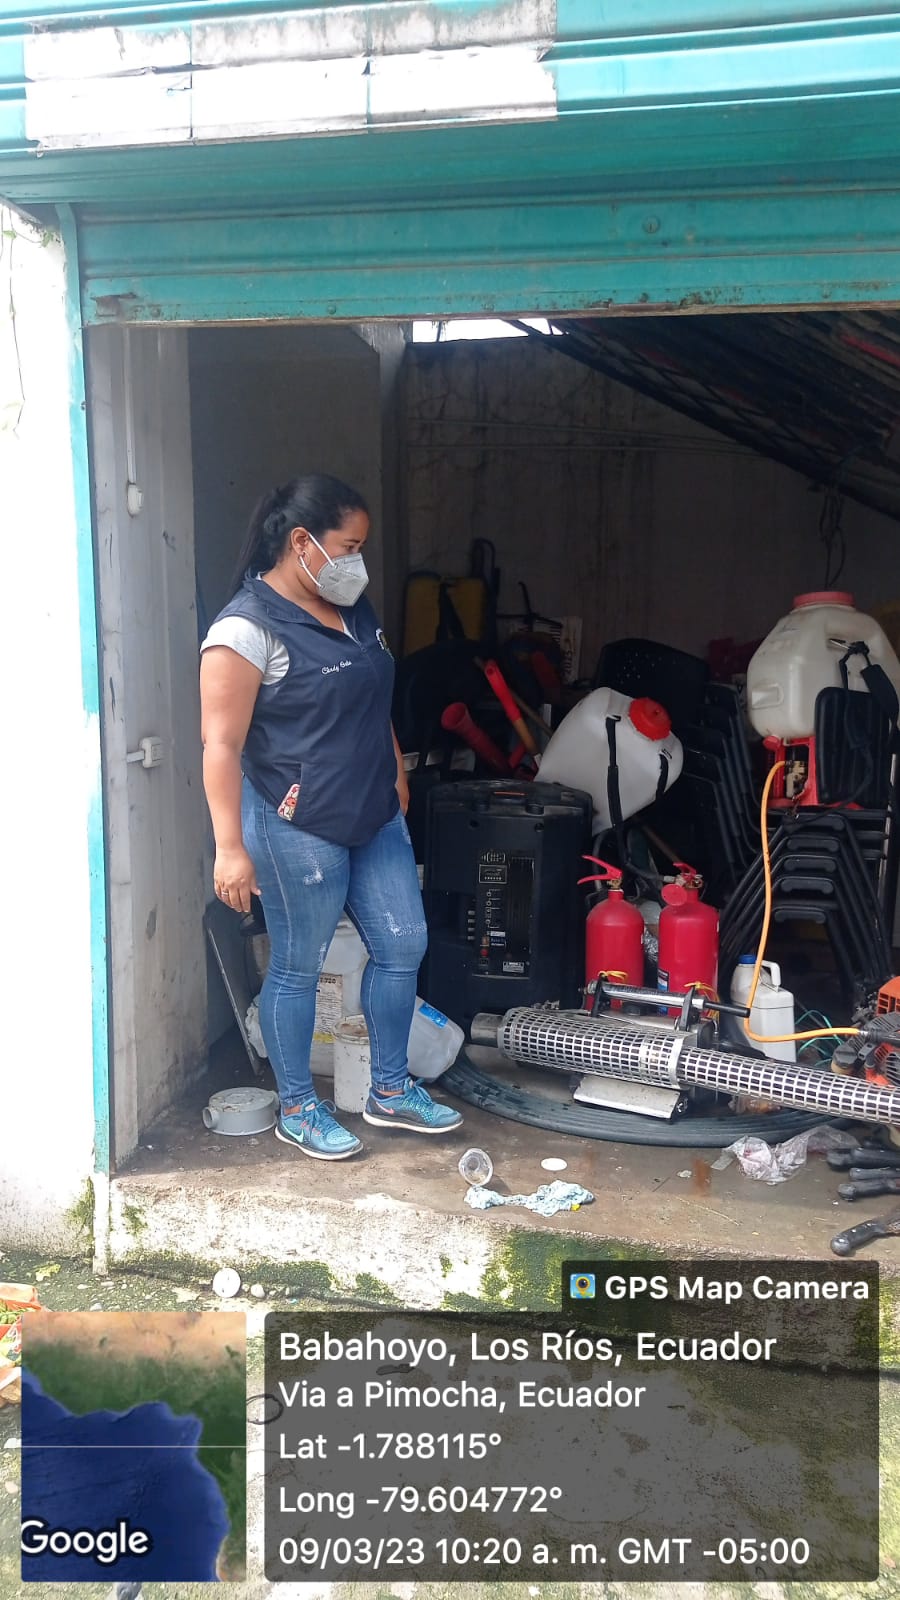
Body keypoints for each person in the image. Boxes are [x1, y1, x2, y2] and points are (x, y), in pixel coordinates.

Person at [199, 474, 463, 1160]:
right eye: (349, 546)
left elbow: (373, 698)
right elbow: (221, 746)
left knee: (403, 945)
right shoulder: (244, 630)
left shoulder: (352, 607)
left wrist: (396, 768)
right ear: (301, 542)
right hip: (298, 823)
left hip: (374, 812)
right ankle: (297, 1107)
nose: (358, 561)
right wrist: (229, 847)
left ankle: (390, 1089)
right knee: (298, 964)